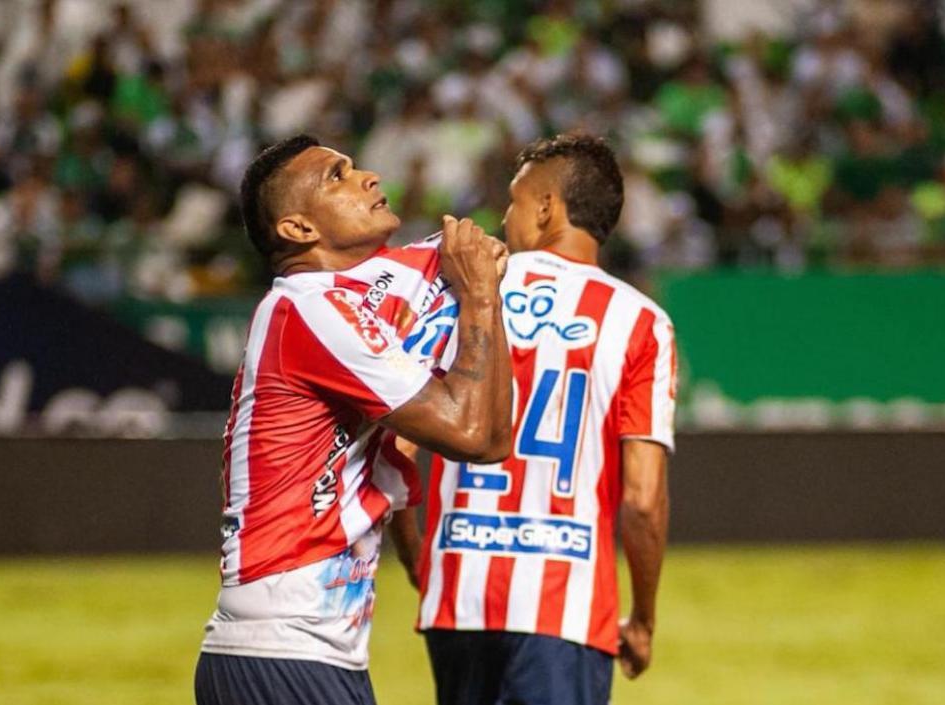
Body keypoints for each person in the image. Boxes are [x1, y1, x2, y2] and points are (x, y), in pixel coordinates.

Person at [195, 134, 513, 705]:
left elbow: (427, 271)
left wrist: (479, 262)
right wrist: (481, 298)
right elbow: (476, 435)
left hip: (307, 651)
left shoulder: (339, 303)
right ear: (297, 230)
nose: (367, 176)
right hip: (284, 652)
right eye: (336, 177)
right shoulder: (310, 310)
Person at [412, 134, 677, 705]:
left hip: (458, 598)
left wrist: (420, 567)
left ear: (546, 207)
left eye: (512, 201)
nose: (504, 217)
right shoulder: (639, 321)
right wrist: (643, 618)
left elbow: (397, 452)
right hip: (567, 606)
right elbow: (643, 497)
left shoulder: (461, 295)